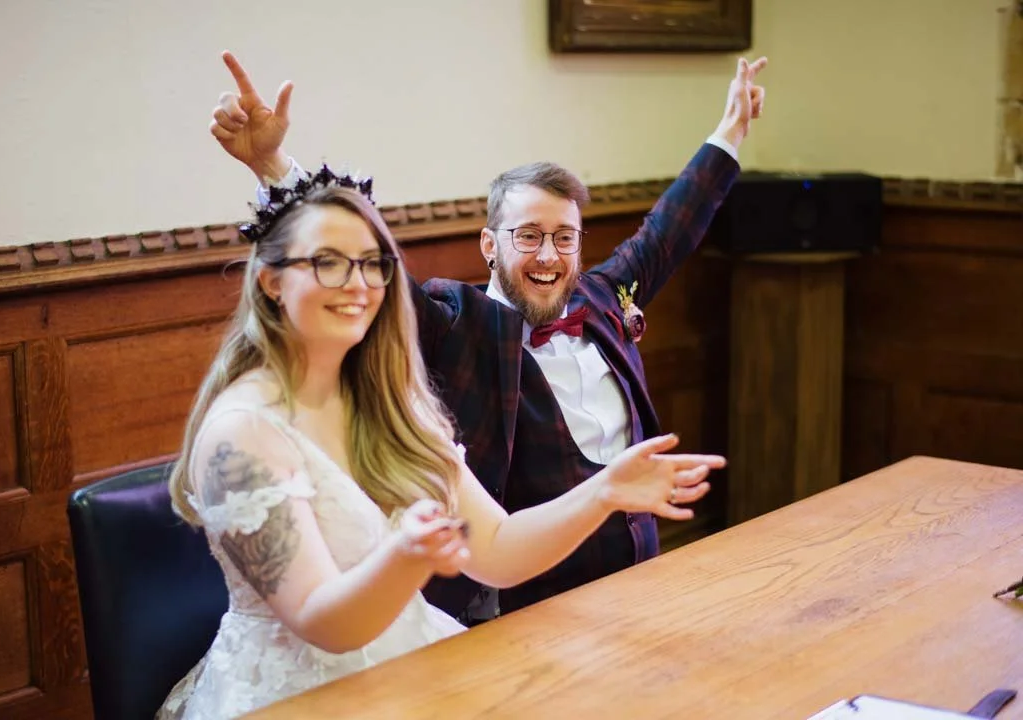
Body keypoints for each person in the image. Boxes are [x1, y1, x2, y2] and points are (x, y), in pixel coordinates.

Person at [208, 51, 765, 621]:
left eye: (564, 237)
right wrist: (273, 164)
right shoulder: (454, 320)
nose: (549, 255)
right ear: (489, 245)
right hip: (524, 608)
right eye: (527, 235)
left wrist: (730, 131)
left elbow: (671, 226)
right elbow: (360, 256)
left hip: (643, 581)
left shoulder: (603, 297)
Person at [157, 169, 723, 719]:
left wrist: (606, 491)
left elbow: (497, 549)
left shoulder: (393, 404)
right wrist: (405, 556)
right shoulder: (244, 431)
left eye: (373, 264)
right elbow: (319, 623)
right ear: (271, 280)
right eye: (328, 264)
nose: (357, 284)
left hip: (414, 665)